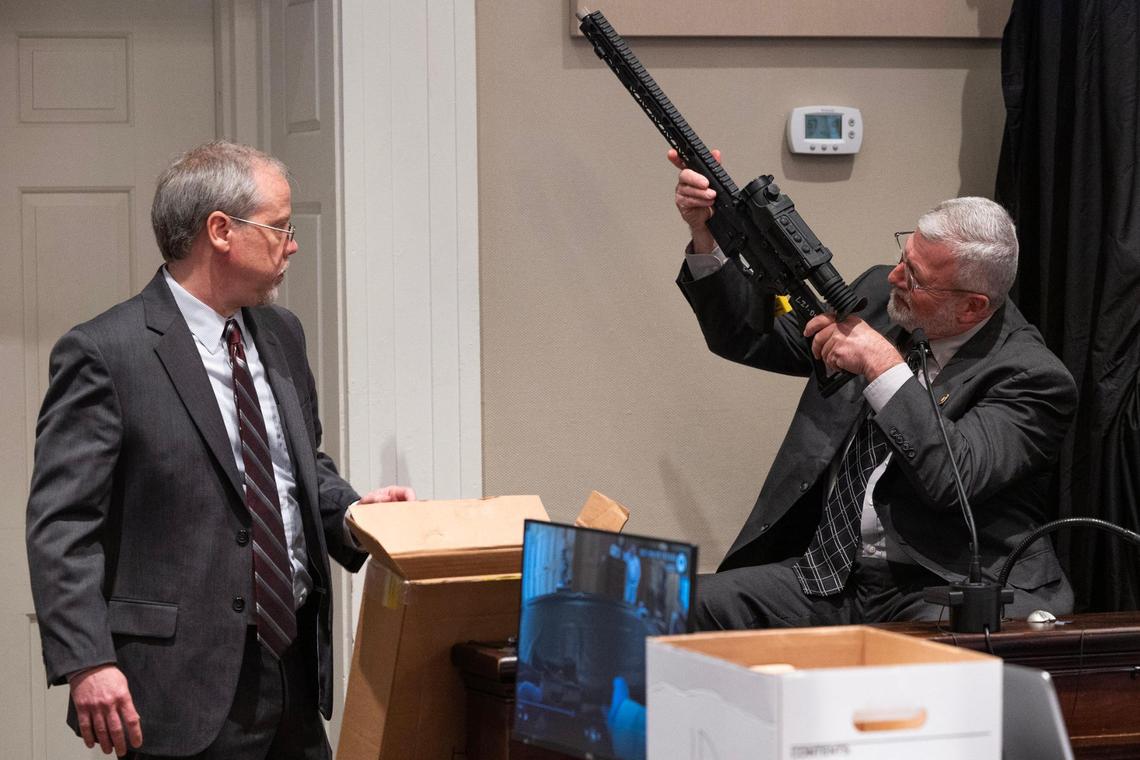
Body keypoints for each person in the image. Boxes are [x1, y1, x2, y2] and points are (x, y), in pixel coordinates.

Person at [26, 140, 413, 759]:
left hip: (293, 672)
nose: (292, 245)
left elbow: (295, 468)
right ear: (221, 231)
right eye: (280, 228)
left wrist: (351, 514)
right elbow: (63, 525)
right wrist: (87, 660)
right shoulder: (106, 353)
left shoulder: (282, 332)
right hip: (179, 688)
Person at [669, 149, 1076, 630]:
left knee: (920, 658)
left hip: (940, 586)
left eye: (915, 278)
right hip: (830, 573)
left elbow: (954, 481)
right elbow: (752, 337)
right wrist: (709, 235)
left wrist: (882, 364)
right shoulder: (885, 298)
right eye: (905, 258)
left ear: (972, 307)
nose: (894, 277)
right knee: (673, 604)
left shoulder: (1033, 378)